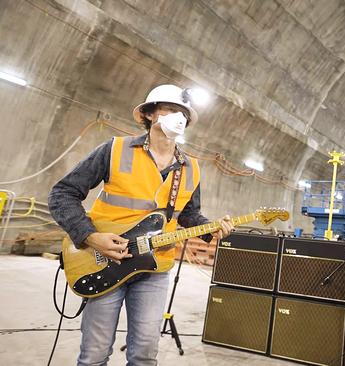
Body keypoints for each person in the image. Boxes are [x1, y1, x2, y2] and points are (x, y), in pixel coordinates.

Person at [48, 84, 234, 365]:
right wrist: (89, 236)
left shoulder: (191, 168)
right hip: (104, 262)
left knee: (145, 354)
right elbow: (62, 194)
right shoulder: (115, 149)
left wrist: (211, 228)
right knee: (94, 354)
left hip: (154, 267)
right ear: (149, 114)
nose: (178, 117)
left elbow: (188, 214)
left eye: (183, 113)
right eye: (171, 109)